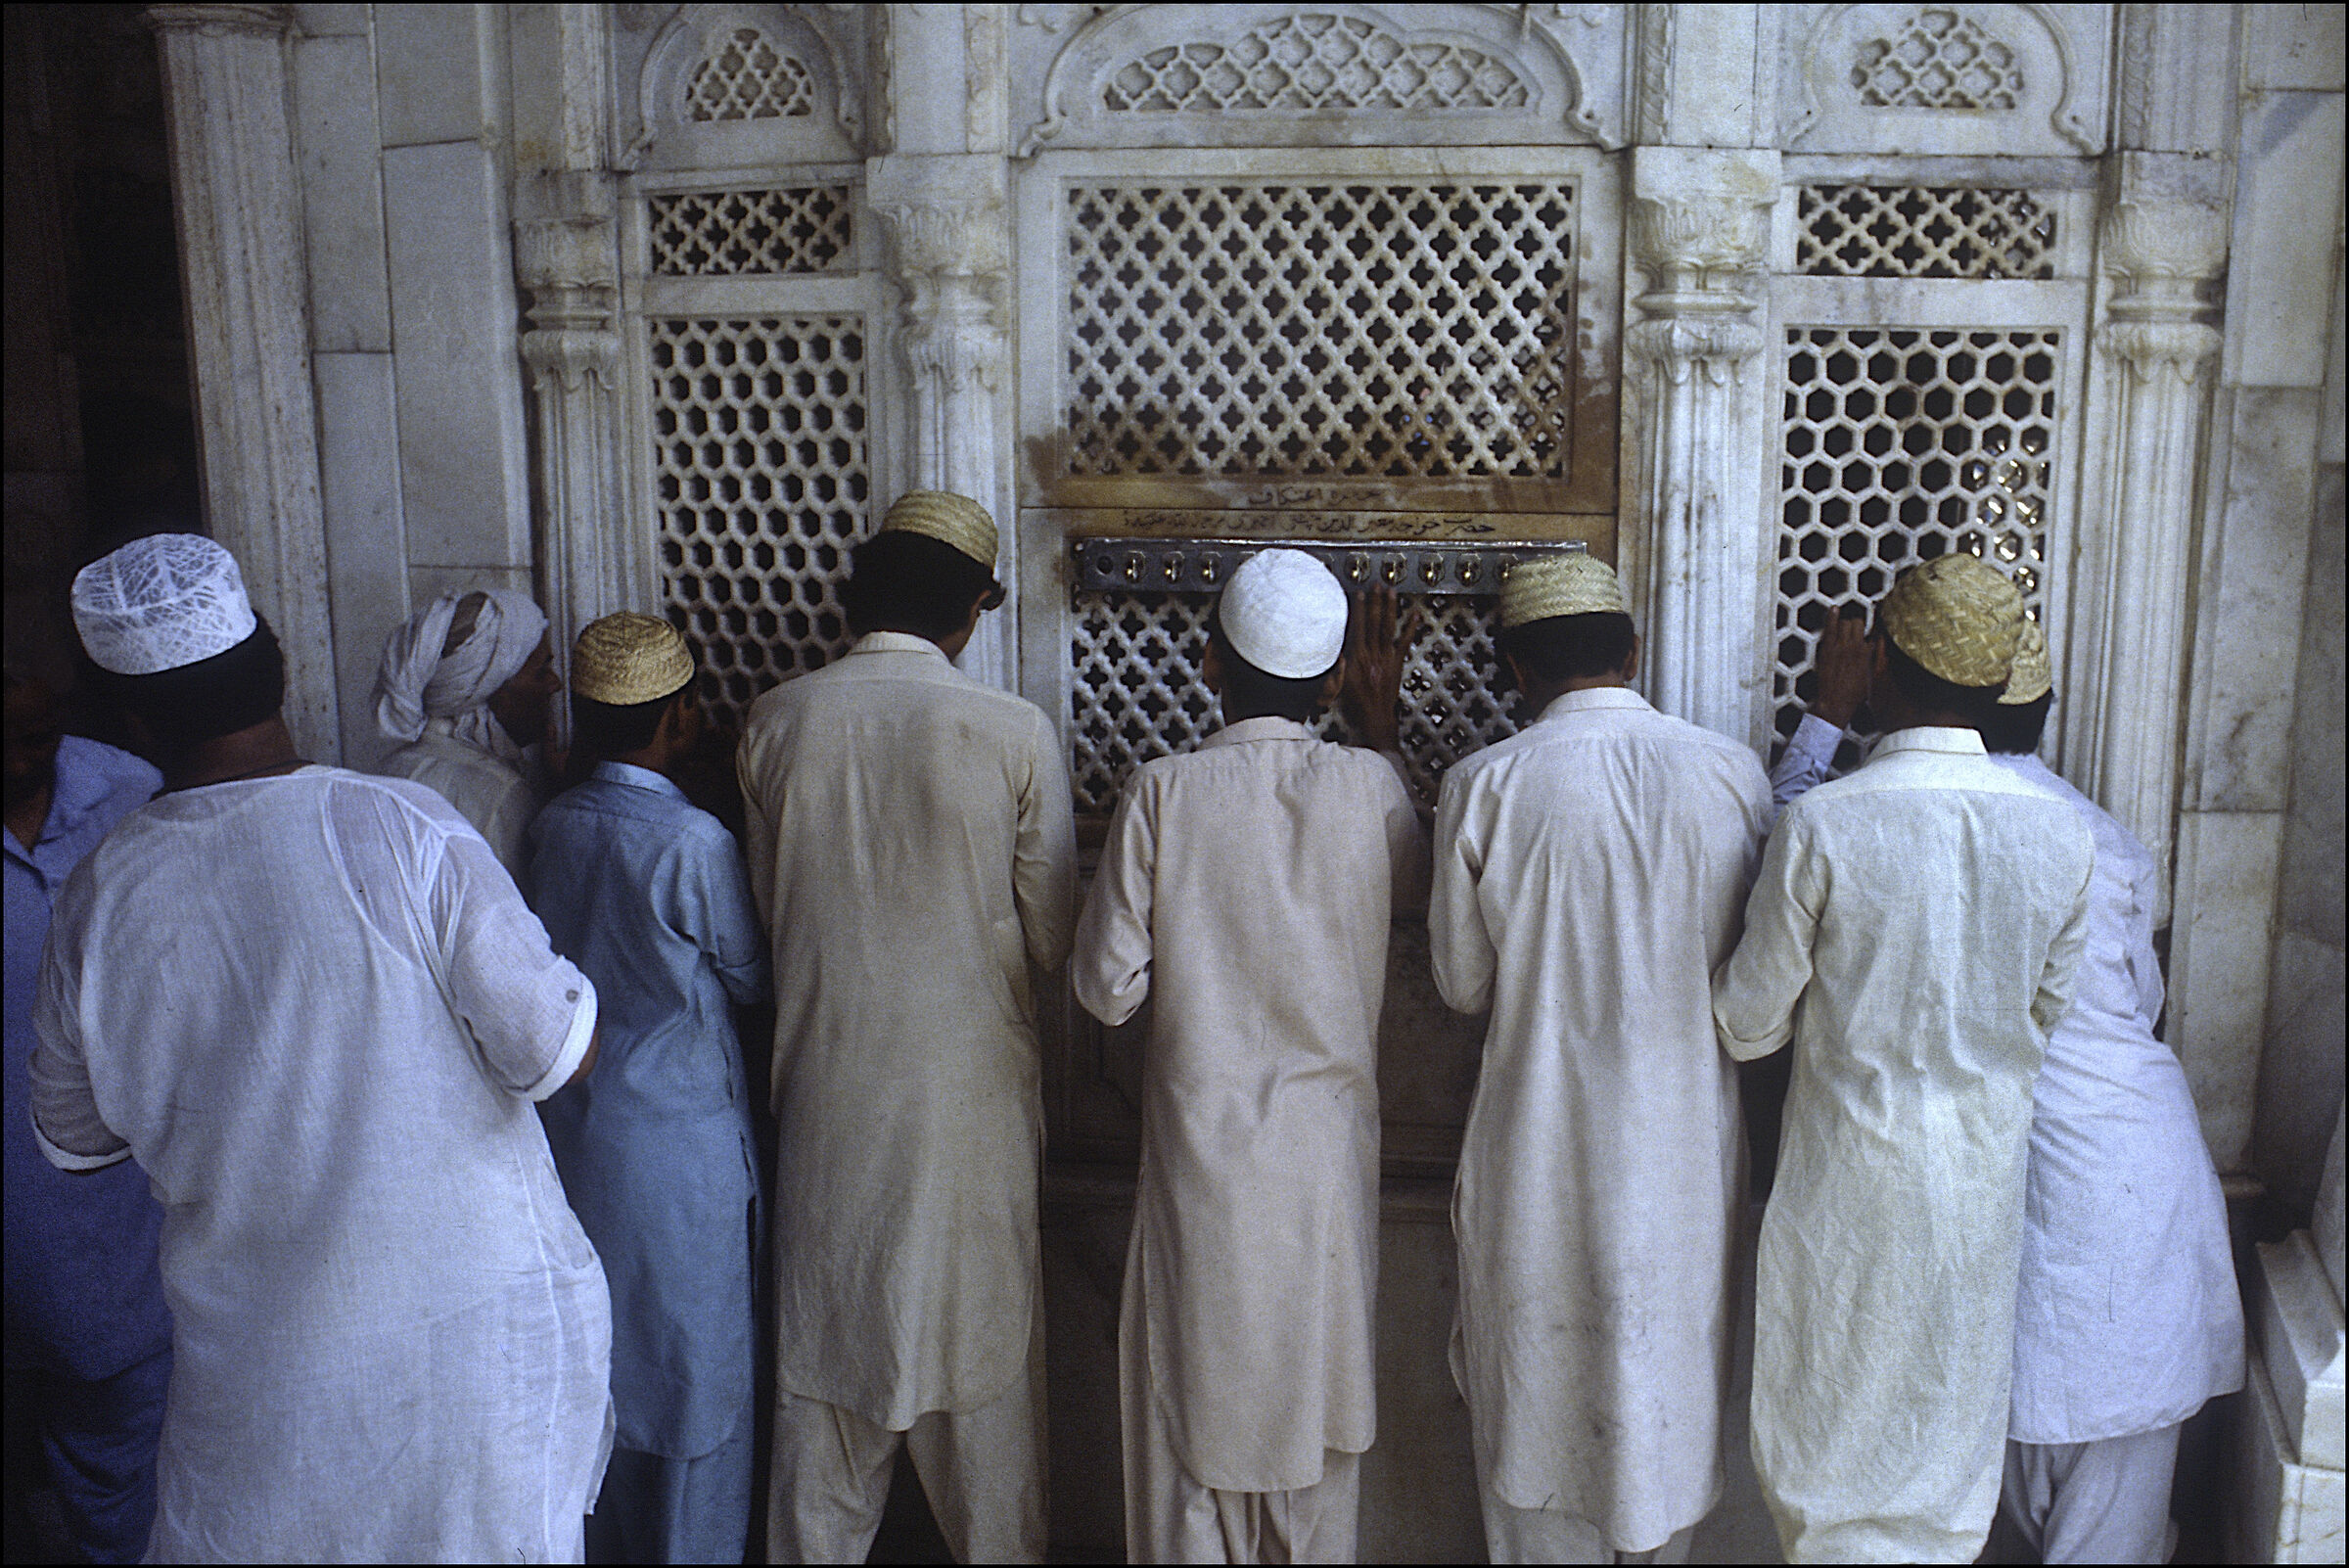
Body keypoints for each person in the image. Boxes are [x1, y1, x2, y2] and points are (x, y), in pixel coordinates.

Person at [30, 533, 613, 1562]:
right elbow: (555, 1054)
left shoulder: (98, 897)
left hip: (263, 1384)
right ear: (278, 664)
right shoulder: (399, 827)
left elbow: (76, 1138)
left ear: (124, 719)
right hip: (465, 1357)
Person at [1773, 622, 2245, 1563]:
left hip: (2040, 1196)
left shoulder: (1879, 817)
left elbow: (1770, 863)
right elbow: (2135, 1005)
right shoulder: (2096, 836)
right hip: (2116, 1175)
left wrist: (1824, 718)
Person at [1712, 553, 2095, 1563]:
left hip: (1847, 1188)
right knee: (1941, 1454)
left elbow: (1747, 1022)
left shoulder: (1827, 825)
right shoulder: (2064, 839)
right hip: (1975, 1190)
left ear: (1878, 663)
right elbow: (2043, 1016)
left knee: (1828, 1459)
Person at [737, 492, 1077, 1564]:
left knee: (822, 1422)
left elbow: (769, 917)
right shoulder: (1012, 731)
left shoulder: (775, 724)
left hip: (827, 1116)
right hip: (966, 1124)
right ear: (974, 609)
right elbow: (1059, 937)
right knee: (987, 1419)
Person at [1071, 554, 1429, 1564]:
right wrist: (1382, 728)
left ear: (1208, 664)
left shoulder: (1162, 793)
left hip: (1201, 1176)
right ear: (1331, 684)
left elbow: (1105, 988)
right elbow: (1417, 905)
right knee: (1315, 1449)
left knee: (1191, 1444)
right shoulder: (1369, 787)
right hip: (1321, 1178)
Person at [1428, 554, 1773, 1565]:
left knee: (1537, 1424)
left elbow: (1461, 983)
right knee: (1664, 1416)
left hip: (1539, 1161)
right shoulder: (1729, 773)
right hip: (1683, 1165)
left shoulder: (1483, 785)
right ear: (1633, 651)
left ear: (1513, 669)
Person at [531, 613, 769, 1566]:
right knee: (698, 1380)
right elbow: (750, 974)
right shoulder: (692, 840)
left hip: (582, 1142)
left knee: (613, 1369)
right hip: (680, 1153)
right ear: (679, 716)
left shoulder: (550, 824)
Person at [5, 668, 171, 1564]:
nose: (20, 759)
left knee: (125, 1483)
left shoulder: (128, 795)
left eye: (35, 734)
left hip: (118, 1236)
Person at [375, 586, 562, 879]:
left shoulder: (387, 772)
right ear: (490, 692)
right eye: (541, 672)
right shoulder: (502, 796)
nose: (555, 684)